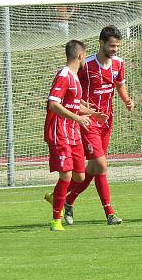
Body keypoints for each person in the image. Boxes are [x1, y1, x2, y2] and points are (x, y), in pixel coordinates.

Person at [58, 26, 133, 226]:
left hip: (106, 121)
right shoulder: (87, 64)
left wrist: (126, 100)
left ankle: (68, 200)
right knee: (101, 165)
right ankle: (109, 213)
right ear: (101, 43)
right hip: (88, 121)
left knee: (92, 169)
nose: (115, 49)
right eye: (111, 45)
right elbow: (72, 85)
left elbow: (119, 84)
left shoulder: (119, 64)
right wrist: (82, 109)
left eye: (117, 46)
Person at [44, 40, 107, 231]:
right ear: (80, 56)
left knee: (79, 177)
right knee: (66, 175)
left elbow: (72, 104)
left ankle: (57, 197)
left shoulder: (74, 78)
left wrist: (91, 113)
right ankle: (56, 220)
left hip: (72, 132)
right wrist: (78, 119)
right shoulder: (64, 75)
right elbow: (53, 104)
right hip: (60, 132)